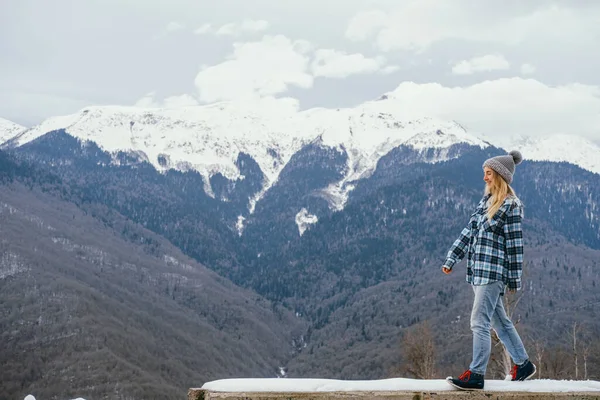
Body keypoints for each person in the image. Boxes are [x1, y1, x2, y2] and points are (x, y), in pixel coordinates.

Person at [442, 150, 536, 390]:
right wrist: (452, 258)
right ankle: (523, 364)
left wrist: (514, 279)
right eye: (484, 173)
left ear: (500, 176)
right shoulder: (485, 202)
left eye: (489, 174)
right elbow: (468, 232)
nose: (484, 178)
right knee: (499, 322)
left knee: (479, 322)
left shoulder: (511, 206)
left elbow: (515, 245)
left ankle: (476, 374)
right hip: (477, 272)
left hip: (493, 274)